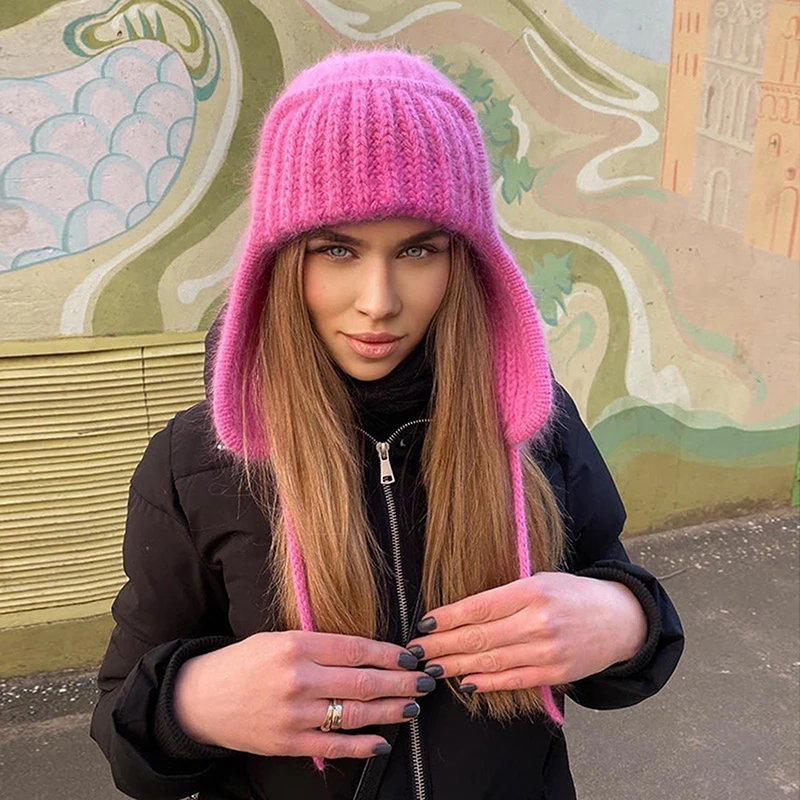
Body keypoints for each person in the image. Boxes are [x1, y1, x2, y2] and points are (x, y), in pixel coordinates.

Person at [90, 47, 684, 800]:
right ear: (279, 262)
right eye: (337, 250)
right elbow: (125, 734)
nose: (379, 300)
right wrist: (193, 705)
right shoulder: (195, 460)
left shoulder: (535, 423)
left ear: (464, 262)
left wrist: (626, 621)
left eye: (418, 249)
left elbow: (609, 614)